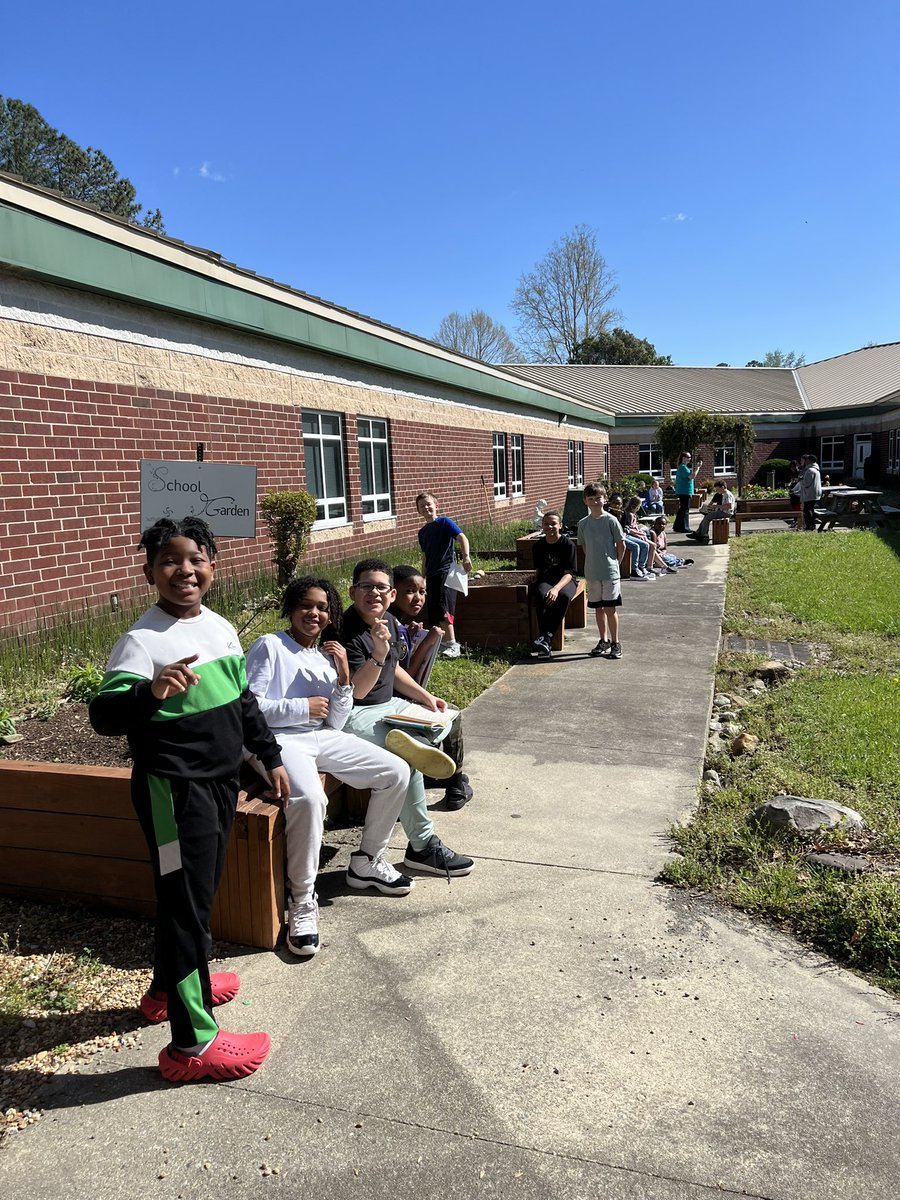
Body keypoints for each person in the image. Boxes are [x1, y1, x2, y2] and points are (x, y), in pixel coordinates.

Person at [89, 516, 289, 1084]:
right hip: (173, 794)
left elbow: (244, 704)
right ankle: (191, 1044)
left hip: (221, 784)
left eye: (196, 558)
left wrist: (269, 756)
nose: (185, 570)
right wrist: (150, 692)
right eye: (170, 560)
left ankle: (169, 989)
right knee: (186, 906)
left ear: (213, 567)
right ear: (150, 570)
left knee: (192, 897)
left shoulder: (220, 628)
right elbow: (103, 716)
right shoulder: (142, 641)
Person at [245, 577, 414, 959]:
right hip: (278, 741)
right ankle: (302, 898)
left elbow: (336, 721)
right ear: (291, 608)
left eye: (323, 608)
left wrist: (341, 677)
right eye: (307, 605)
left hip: (319, 737)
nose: (315, 613)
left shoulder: (324, 656)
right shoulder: (270, 646)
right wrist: (300, 709)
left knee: (396, 772)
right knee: (309, 799)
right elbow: (249, 707)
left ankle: (367, 861)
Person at [340, 559, 475, 876]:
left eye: (381, 587)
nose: (374, 592)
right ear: (353, 591)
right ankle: (423, 847)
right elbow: (357, 692)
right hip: (354, 714)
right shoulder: (346, 630)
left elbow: (395, 669)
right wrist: (378, 650)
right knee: (407, 759)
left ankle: (436, 761)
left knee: (447, 717)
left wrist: (425, 696)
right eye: (366, 586)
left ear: (390, 595)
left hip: (388, 705)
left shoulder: (386, 618)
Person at [390, 565, 473, 810]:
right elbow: (408, 677)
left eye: (422, 591)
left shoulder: (396, 622)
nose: (418, 597)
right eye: (410, 591)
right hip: (395, 705)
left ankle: (438, 774)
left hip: (394, 699)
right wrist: (427, 642)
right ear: (393, 593)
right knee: (452, 715)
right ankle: (456, 785)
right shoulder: (392, 625)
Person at [415, 491, 472, 659]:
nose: (426, 508)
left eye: (429, 504)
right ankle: (442, 644)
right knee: (434, 610)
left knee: (444, 608)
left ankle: (453, 644)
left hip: (445, 571)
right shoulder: (423, 532)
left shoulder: (444, 522)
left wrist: (466, 556)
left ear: (436, 506)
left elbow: (462, 537)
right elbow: (425, 556)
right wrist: (422, 578)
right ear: (418, 511)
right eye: (422, 506)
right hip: (431, 574)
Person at [577, 483, 626, 660]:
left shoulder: (611, 520)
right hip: (592, 573)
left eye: (598, 498)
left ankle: (615, 642)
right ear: (585, 501)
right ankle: (603, 640)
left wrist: (615, 565)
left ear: (605, 499)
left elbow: (621, 545)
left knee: (610, 608)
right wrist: (593, 563)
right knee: (598, 609)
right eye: (591, 498)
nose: (595, 501)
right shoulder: (583, 524)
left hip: (610, 572)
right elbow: (584, 547)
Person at [529, 509, 578, 657]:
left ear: (560, 525)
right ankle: (545, 641)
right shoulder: (538, 546)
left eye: (553, 524)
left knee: (562, 596)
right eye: (546, 524)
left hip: (564, 581)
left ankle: (546, 637)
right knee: (540, 594)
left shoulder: (568, 545)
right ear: (542, 526)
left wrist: (556, 588)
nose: (549, 527)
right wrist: (534, 578)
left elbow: (569, 573)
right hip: (546, 580)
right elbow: (538, 569)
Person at [673, 451, 703, 533]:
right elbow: (692, 476)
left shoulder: (683, 467)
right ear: (683, 458)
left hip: (684, 491)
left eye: (690, 457)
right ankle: (684, 527)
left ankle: (677, 526)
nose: (690, 459)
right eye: (688, 457)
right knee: (685, 509)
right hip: (684, 491)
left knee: (682, 509)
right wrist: (698, 467)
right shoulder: (682, 467)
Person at [799, 453, 823, 531]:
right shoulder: (816, 469)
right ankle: (812, 526)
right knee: (811, 509)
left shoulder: (810, 470)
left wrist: (801, 479)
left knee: (807, 510)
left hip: (810, 494)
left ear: (810, 460)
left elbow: (806, 483)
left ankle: (808, 526)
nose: (805, 462)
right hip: (814, 493)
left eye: (807, 460)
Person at [788, 459, 804, 531]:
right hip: (793, 491)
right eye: (791, 467)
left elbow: (800, 483)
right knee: (794, 506)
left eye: (794, 467)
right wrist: (789, 485)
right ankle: (795, 520)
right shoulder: (792, 474)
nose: (792, 469)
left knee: (798, 507)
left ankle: (798, 521)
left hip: (798, 492)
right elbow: (792, 481)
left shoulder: (800, 473)